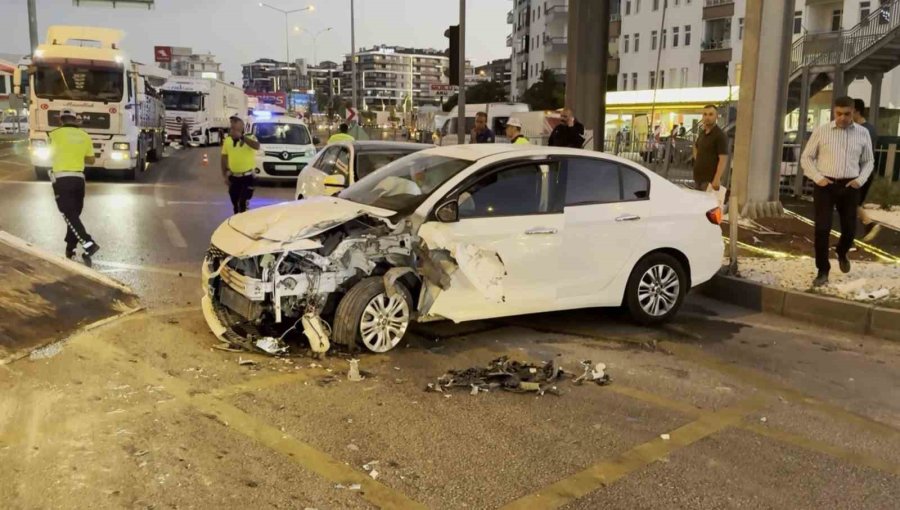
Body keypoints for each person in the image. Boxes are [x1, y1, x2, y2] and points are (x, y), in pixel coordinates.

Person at [801, 96, 874, 287]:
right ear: (834, 112)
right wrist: (818, 178)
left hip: (850, 186)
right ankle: (822, 270)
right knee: (822, 228)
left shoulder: (862, 133)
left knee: (850, 229)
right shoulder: (822, 131)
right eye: (838, 114)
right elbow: (806, 158)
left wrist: (860, 180)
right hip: (825, 185)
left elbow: (868, 161)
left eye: (847, 114)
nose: (842, 118)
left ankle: (842, 251)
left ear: (854, 112)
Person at [48, 109, 100, 264]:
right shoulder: (85, 136)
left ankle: (89, 243)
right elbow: (91, 160)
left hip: (61, 179)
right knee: (73, 215)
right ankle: (70, 248)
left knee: (69, 215)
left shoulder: (53, 135)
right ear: (76, 120)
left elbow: (49, 155)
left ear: (60, 120)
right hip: (79, 180)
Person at [221, 116, 260, 214]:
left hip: (247, 177)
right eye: (231, 128)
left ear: (241, 129)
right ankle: (237, 220)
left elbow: (257, 146)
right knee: (235, 203)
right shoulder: (228, 140)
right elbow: (224, 157)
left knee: (241, 202)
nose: (232, 131)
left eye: (235, 129)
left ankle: (243, 221)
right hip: (234, 177)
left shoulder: (250, 137)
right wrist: (224, 174)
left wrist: (242, 138)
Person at [853, 98, 880, 240]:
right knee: (852, 204)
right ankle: (867, 224)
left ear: (856, 111)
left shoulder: (863, 130)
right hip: (864, 172)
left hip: (860, 172)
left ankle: (869, 223)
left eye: (849, 112)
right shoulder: (870, 129)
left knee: (850, 203)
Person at [692, 105, 728, 191]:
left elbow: (723, 158)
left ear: (716, 116)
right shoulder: (702, 133)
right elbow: (695, 147)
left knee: (708, 204)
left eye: (711, 114)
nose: (707, 117)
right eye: (705, 114)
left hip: (710, 181)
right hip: (698, 179)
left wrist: (717, 178)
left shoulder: (719, 135)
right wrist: (698, 160)